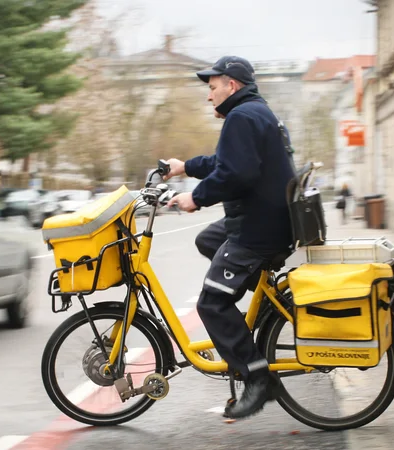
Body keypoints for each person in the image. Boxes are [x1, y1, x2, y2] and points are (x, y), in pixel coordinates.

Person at [163, 56, 295, 420]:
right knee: (207, 240)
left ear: (231, 85)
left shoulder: (243, 117)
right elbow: (225, 162)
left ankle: (258, 379)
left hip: (259, 229)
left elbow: (236, 174)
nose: (209, 96)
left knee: (211, 304)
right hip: (263, 220)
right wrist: (185, 166)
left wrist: (196, 197)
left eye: (212, 87)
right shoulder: (254, 112)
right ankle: (261, 301)